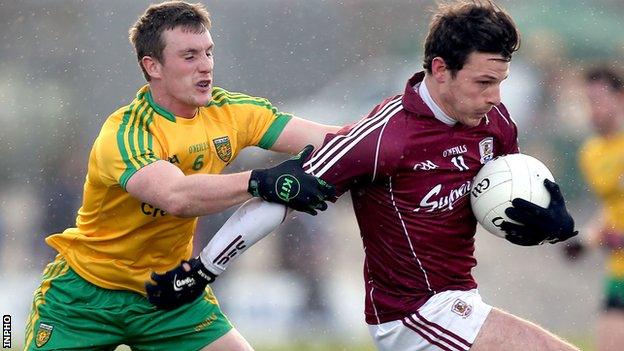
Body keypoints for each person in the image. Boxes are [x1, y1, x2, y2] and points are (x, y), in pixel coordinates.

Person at [146, 1, 581, 350]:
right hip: (412, 316)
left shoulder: (494, 120)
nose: (496, 97)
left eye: (501, 82)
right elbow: (282, 195)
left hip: (462, 302)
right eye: (484, 82)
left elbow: (509, 187)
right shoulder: (383, 137)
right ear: (440, 69)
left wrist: (552, 222)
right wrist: (202, 269)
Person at [23, 1, 337, 350]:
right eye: (189, 56)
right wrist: (260, 181)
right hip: (84, 299)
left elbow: (338, 140)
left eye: (208, 53)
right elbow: (176, 197)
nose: (205, 67)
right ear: (152, 65)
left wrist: (399, 130)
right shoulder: (125, 133)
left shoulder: (231, 113)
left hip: (168, 293)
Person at [570, 66, 624, 351]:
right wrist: (586, 240)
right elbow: (611, 208)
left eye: (599, 100)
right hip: (620, 270)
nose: (593, 109)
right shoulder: (591, 153)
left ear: (621, 98)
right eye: (588, 101)